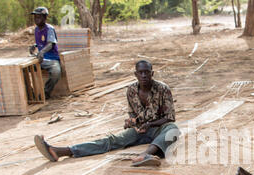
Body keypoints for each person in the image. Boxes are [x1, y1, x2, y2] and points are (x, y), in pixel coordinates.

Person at [34, 60, 180, 167]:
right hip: (141, 130)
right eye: (140, 72)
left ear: (152, 73)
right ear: (135, 74)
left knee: (173, 129)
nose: (143, 75)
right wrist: (131, 122)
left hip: (158, 128)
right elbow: (134, 115)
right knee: (112, 140)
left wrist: (150, 124)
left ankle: (146, 155)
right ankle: (62, 151)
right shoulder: (131, 91)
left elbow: (169, 117)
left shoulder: (163, 89)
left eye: (146, 72)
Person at [28, 7, 61, 100]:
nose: (36, 19)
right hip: (41, 58)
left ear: (45, 18)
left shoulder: (49, 29)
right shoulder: (36, 30)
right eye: (35, 17)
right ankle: (30, 93)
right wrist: (35, 45)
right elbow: (42, 42)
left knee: (56, 72)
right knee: (23, 70)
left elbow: (50, 44)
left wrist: (42, 51)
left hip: (52, 59)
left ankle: (45, 93)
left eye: (39, 17)